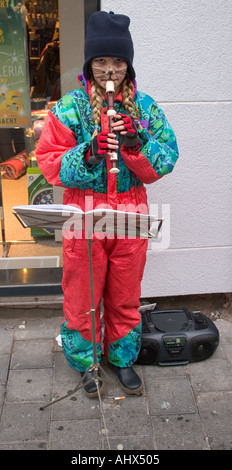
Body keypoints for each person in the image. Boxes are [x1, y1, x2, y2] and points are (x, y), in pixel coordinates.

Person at [36, 11, 179, 398]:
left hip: (130, 213)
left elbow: (166, 159)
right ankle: (87, 362)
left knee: (124, 292)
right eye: (101, 61)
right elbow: (49, 162)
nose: (109, 70)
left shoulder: (144, 109)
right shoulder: (67, 109)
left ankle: (122, 358)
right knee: (83, 294)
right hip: (84, 214)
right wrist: (88, 155)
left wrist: (136, 144)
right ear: (89, 64)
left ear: (128, 65)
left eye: (118, 62)